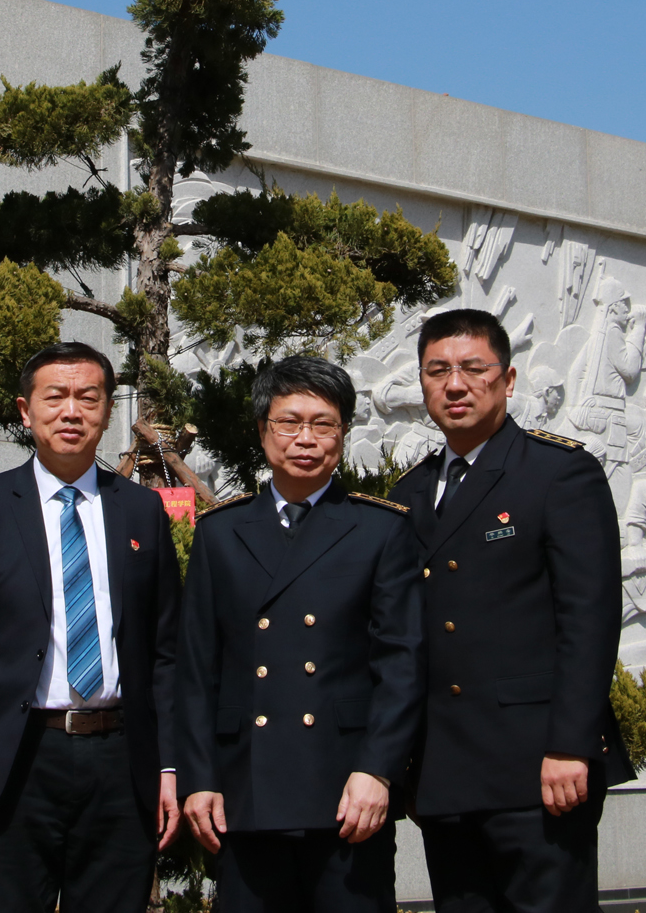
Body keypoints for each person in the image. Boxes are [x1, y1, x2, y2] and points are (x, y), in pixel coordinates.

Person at [0, 342, 183, 913]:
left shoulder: (142, 512)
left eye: (88, 397)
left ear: (107, 411)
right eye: (55, 396)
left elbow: (165, 651)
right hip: (16, 759)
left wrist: (169, 765)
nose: (71, 411)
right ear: (25, 410)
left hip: (121, 760)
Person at [388, 309, 633, 913]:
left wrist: (572, 745)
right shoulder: (409, 493)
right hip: (445, 772)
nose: (455, 384)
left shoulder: (558, 473)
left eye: (474, 368)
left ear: (508, 379)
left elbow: (589, 619)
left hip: (540, 767)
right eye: (438, 371)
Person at [178, 356, 425, 913]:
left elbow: (402, 664)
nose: (306, 439)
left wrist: (378, 770)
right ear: (262, 430)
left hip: (346, 788)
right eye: (289, 422)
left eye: (323, 424)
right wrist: (199, 777)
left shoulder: (380, 529)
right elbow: (196, 669)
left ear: (344, 432)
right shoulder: (221, 532)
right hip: (245, 789)